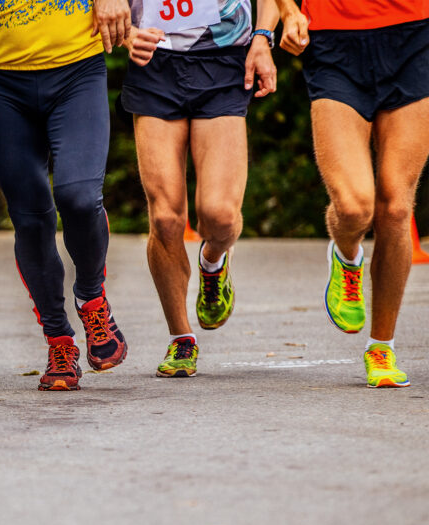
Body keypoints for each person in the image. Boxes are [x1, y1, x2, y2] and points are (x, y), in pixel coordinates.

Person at [0, 0, 132, 391]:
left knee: (78, 196)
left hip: (76, 64)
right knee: (29, 216)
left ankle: (92, 298)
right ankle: (59, 340)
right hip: (0, 75)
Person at [275, 0, 429, 388]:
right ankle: (346, 254)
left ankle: (381, 346)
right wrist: (287, 10)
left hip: (415, 34)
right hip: (333, 39)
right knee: (354, 207)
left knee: (395, 206)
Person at [122, 0, 278, 377]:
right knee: (165, 218)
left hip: (225, 59)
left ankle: (213, 262)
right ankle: (181, 338)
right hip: (153, 59)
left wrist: (262, 36)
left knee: (220, 215)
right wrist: (126, 33)